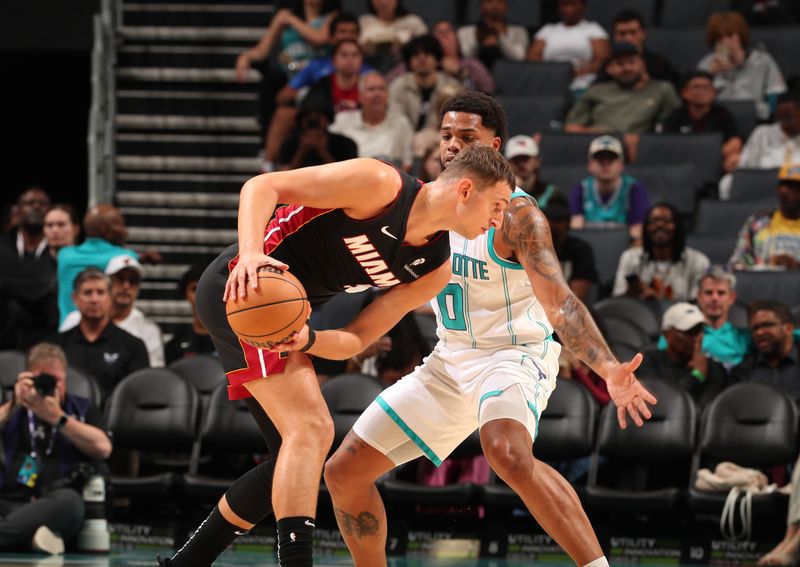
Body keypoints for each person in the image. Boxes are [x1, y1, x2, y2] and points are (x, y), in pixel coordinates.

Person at [323, 89, 656, 567]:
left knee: (506, 452)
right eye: (446, 135)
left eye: (467, 136)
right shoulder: (425, 202)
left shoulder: (518, 216)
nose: (453, 145)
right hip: (448, 358)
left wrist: (607, 367)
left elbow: (560, 302)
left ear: (494, 146)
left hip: (513, 356)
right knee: (343, 472)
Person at [159, 145, 516, 567]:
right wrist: (252, 254)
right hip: (243, 289)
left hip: (281, 321)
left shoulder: (436, 267)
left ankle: (186, 563)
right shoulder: (379, 184)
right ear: (466, 189)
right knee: (311, 427)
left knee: (290, 463)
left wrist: (308, 340)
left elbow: (356, 338)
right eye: (497, 205)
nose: (498, 221)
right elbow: (262, 185)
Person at [0, 342, 112, 554]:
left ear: (65, 379)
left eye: (55, 381)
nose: (47, 387)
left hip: (56, 503)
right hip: (11, 501)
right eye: (40, 380)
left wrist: (57, 418)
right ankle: (33, 538)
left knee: (70, 503)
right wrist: (13, 404)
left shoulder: (81, 407)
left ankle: (19, 536)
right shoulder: (14, 409)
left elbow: (103, 448)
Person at [565, 42, 681, 159]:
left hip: (642, 149)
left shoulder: (661, 89)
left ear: (642, 64)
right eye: (620, 64)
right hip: (598, 147)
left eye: (631, 62)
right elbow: (572, 128)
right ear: (609, 69)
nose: (626, 68)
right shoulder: (596, 90)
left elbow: (677, 125)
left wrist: (645, 140)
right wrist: (612, 136)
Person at [53, 268, 149, 399]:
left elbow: (139, 394)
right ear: (75, 299)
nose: (94, 299)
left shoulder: (133, 346)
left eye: (100, 292)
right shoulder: (57, 346)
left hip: (113, 417)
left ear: (110, 297)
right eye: (87, 293)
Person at [56, 204, 138, 327]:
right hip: (102, 332)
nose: (125, 231)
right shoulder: (126, 256)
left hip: (67, 329)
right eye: (120, 225)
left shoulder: (64, 255)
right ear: (105, 230)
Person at [697, 11, 786, 121]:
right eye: (719, 38)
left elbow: (777, 96)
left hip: (757, 118)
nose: (725, 42)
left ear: (740, 36)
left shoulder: (762, 60)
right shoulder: (706, 64)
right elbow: (695, 102)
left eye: (730, 36)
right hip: (718, 120)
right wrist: (708, 77)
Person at [612, 203, 710, 301]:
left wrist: (661, 300)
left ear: (677, 226)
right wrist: (630, 293)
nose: (659, 225)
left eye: (666, 221)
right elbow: (616, 299)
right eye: (653, 221)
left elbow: (699, 303)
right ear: (646, 227)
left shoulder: (699, 261)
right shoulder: (629, 257)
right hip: (638, 314)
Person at [639, 302, 727, 410]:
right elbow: (662, 407)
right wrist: (696, 376)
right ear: (667, 334)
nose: (696, 338)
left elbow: (702, 414)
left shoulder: (713, 368)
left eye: (699, 331)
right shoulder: (648, 362)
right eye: (688, 332)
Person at [568, 135, 651, 243]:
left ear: (621, 165)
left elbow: (637, 232)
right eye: (600, 159)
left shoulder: (635, 189)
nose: (606, 164)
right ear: (590, 165)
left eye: (611, 159)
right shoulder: (579, 190)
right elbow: (576, 230)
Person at [659, 70, 743, 174]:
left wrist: (712, 155)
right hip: (682, 163)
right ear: (684, 93)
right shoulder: (676, 116)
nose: (702, 91)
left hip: (715, 161)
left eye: (706, 87)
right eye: (696, 87)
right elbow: (666, 144)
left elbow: (735, 142)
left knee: (735, 159)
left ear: (713, 93)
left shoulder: (722, 113)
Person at [329, 71, 415, 170]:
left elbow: (408, 163)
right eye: (371, 89)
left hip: (389, 181)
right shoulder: (343, 121)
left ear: (387, 95)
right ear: (360, 97)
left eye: (381, 89)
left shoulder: (401, 123)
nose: (377, 94)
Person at [528, 0, 610, 93]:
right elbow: (533, 58)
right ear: (559, 7)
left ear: (583, 6)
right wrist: (554, 73)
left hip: (582, 83)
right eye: (564, 4)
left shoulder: (593, 29)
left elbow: (602, 60)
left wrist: (576, 73)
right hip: (549, 81)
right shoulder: (547, 30)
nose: (569, 8)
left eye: (573, 4)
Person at [729, 163, 800, 270]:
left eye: (798, 186)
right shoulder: (757, 222)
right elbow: (737, 263)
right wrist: (766, 266)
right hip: (760, 284)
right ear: (778, 189)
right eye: (787, 184)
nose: (792, 191)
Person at [388, 34, 464, 133]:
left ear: (437, 59)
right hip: (404, 138)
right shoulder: (398, 86)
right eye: (416, 54)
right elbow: (395, 119)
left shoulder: (451, 86)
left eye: (427, 53)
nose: (422, 58)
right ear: (409, 62)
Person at [731, 300, 800, 400]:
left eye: (767, 325)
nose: (759, 333)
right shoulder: (742, 372)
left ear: (788, 328)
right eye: (754, 328)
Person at [277, 93, 359, 171]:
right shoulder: (290, 145)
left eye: (318, 118)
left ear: (327, 120)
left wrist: (323, 152)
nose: (313, 123)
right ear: (301, 121)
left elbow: (346, 177)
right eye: (308, 118)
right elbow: (284, 177)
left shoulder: (345, 144)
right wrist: (301, 152)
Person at [694, 268, 752, 368]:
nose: (714, 298)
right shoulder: (682, 335)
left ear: (732, 298)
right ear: (698, 296)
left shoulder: (745, 338)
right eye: (708, 292)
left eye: (721, 293)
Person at [544, 197, 597, 304]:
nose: (553, 226)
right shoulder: (531, 250)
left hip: (568, 308)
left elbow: (579, 295)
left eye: (559, 221)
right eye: (550, 221)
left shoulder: (580, 249)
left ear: (567, 224)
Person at [604, 9, 678, 85]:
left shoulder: (659, 63)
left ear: (644, 34)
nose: (627, 38)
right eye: (622, 33)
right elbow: (596, 92)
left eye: (633, 32)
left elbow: (669, 91)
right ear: (614, 36)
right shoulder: (607, 64)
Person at [164, 264, 216, 365]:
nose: (200, 294)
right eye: (194, 289)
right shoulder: (175, 345)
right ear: (185, 294)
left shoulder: (233, 340)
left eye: (206, 287)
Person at [457, 0, 529, 69]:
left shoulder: (519, 31)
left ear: (506, 6)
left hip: (508, 75)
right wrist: (480, 37)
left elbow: (519, 57)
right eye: (489, 1)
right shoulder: (464, 31)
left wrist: (501, 36)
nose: (495, 5)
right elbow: (466, 56)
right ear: (481, 6)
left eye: (500, 1)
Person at [358, 0, 427, 69]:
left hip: (406, 68)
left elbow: (426, 49)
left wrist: (404, 47)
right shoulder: (363, 22)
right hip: (368, 68)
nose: (383, 2)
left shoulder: (413, 22)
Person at [503, 134, 561, 208]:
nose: (521, 164)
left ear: (537, 161)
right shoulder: (500, 193)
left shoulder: (551, 193)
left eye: (525, 158)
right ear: (507, 163)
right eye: (516, 159)